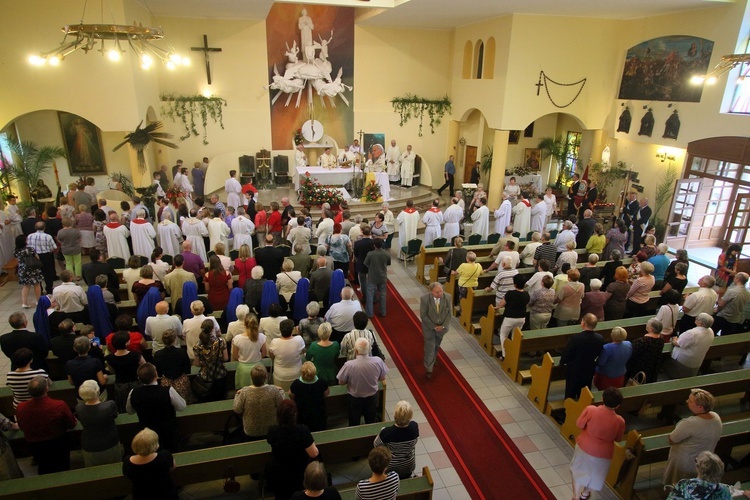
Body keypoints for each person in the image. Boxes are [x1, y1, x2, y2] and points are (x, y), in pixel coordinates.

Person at [569, 387, 626, 500]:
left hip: (584, 446)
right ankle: (585, 494)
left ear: (603, 398)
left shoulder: (591, 410)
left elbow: (579, 424)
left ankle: (575, 495)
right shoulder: (620, 421)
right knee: (596, 476)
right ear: (618, 405)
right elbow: (618, 439)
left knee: (577, 470)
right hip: (604, 453)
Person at [16, 375, 77, 474]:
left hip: (35, 445)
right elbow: (71, 423)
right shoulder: (59, 405)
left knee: (43, 466)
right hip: (58, 442)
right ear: (46, 389)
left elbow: (22, 426)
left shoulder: (21, 407)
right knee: (63, 467)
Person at [663, 388, 723, 486]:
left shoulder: (690, 423)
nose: (686, 401)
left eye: (690, 401)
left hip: (685, 463)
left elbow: (672, 439)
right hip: (703, 462)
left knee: (679, 487)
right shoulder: (715, 417)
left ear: (700, 407)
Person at [266, 399, 320, 500]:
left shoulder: (272, 431)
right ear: (294, 414)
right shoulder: (302, 430)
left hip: (279, 475)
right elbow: (314, 453)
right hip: (299, 474)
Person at [338, 337, 388, 425]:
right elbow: (382, 378)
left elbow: (341, 382)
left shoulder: (349, 365)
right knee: (371, 420)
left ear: (356, 351)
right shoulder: (378, 361)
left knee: (354, 421)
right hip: (372, 396)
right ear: (369, 350)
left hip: (355, 398)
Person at [122, 428, 178, 500]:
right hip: (165, 494)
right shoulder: (164, 455)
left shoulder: (127, 461)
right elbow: (172, 467)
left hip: (141, 495)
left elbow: (126, 475)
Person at [76, 380, 122, 466]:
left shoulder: (79, 409)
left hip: (90, 444)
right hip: (110, 441)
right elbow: (115, 415)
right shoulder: (110, 405)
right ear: (98, 391)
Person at [233, 364, 286, 440]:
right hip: (270, 429)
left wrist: (237, 395)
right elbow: (282, 404)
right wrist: (281, 390)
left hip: (251, 430)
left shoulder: (245, 392)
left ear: (251, 378)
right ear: (266, 377)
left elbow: (237, 409)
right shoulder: (273, 391)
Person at [560, 314, 605, 400]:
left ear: (583, 323)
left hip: (574, 369)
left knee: (571, 392)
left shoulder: (576, 338)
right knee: (584, 392)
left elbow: (567, 353)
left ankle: (569, 410)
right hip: (589, 369)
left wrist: (562, 362)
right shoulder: (600, 338)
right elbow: (600, 353)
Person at [374, 400, 419, 480]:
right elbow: (415, 441)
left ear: (395, 415)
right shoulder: (414, 427)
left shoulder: (386, 432)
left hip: (391, 467)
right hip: (408, 465)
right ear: (410, 416)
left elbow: (376, 444)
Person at [664, 313, 715, 379]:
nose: (696, 319)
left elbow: (679, 343)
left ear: (700, 323)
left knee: (677, 376)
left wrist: (674, 340)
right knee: (689, 377)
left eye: (697, 318)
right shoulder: (710, 331)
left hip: (684, 361)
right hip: (697, 360)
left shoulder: (692, 333)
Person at [106, 330, 145, 412]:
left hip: (121, 384)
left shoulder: (110, 358)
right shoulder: (136, 355)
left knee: (124, 406)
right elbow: (144, 367)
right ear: (127, 343)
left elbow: (112, 371)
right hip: (136, 383)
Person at [152, 329, 194, 404]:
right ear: (174, 340)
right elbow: (187, 368)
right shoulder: (181, 352)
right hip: (182, 381)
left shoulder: (158, 354)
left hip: (166, 383)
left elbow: (158, 371)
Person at [420, 283, 451, 379]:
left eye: (441, 291)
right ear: (431, 291)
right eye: (437, 292)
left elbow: (449, 314)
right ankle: (429, 368)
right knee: (430, 347)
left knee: (437, 344)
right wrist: (434, 326)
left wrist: (443, 326)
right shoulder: (425, 299)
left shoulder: (447, 297)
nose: (439, 293)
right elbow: (423, 316)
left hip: (442, 328)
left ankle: (434, 357)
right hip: (429, 328)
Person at [192, 318, 229, 401]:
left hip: (206, 377)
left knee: (207, 399)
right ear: (212, 329)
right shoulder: (220, 341)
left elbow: (197, 364)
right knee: (220, 399)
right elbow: (226, 358)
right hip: (220, 373)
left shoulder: (197, 345)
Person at [494, 274, 529, 359]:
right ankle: (513, 354)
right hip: (521, 318)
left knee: (503, 335)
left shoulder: (510, 293)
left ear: (515, 284)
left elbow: (501, 304)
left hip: (509, 318)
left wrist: (495, 307)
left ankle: (505, 355)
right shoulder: (526, 294)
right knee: (515, 337)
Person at [290, 361, 329, 432]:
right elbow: (326, 394)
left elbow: (291, 395)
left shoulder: (296, 384)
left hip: (302, 413)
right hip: (318, 411)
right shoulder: (321, 382)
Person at [232, 314, 267, 388]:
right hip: (258, 368)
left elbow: (234, 355)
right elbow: (264, 354)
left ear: (244, 324)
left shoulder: (237, 339)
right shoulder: (262, 337)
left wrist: (243, 359)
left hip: (243, 369)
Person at [625, 318, 664, 384]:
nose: (646, 325)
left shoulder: (642, 342)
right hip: (652, 368)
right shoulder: (660, 340)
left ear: (651, 329)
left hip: (639, 368)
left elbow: (632, 353)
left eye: (648, 324)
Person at [363, 237, 391, 317]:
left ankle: (369, 313)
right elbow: (388, 263)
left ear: (374, 245)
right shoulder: (386, 253)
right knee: (382, 295)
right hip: (382, 276)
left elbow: (366, 263)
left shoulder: (370, 254)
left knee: (370, 295)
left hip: (372, 276)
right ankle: (383, 311)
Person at [305, 322, 339, 386]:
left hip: (317, 374)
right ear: (330, 333)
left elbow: (308, 358)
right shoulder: (335, 345)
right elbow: (336, 357)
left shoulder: (313, 345)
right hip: (332, 374)